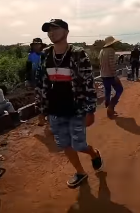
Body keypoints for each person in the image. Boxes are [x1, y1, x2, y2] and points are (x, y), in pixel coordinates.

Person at [36, 18, 103, 188]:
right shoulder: (46, 55)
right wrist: (42, 111)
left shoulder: (78, 54)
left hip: (76, 109)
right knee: (64, 144)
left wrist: (90, 111)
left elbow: (89, 83)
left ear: (66, 32)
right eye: (48, 30)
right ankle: (80, 172)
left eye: (55, 29)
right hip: (55, 110)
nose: (51, 33)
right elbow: (42, 84)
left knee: (79, 145)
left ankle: (94, 153)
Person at [99, 36, 124, 118]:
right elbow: (112, 64)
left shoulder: (102, 51)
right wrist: (115, 75)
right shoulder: (111, 51)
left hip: (103, 75)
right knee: (119, 89)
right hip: (110, 75)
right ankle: (111, 106)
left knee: (107, 91)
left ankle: (108, 106)